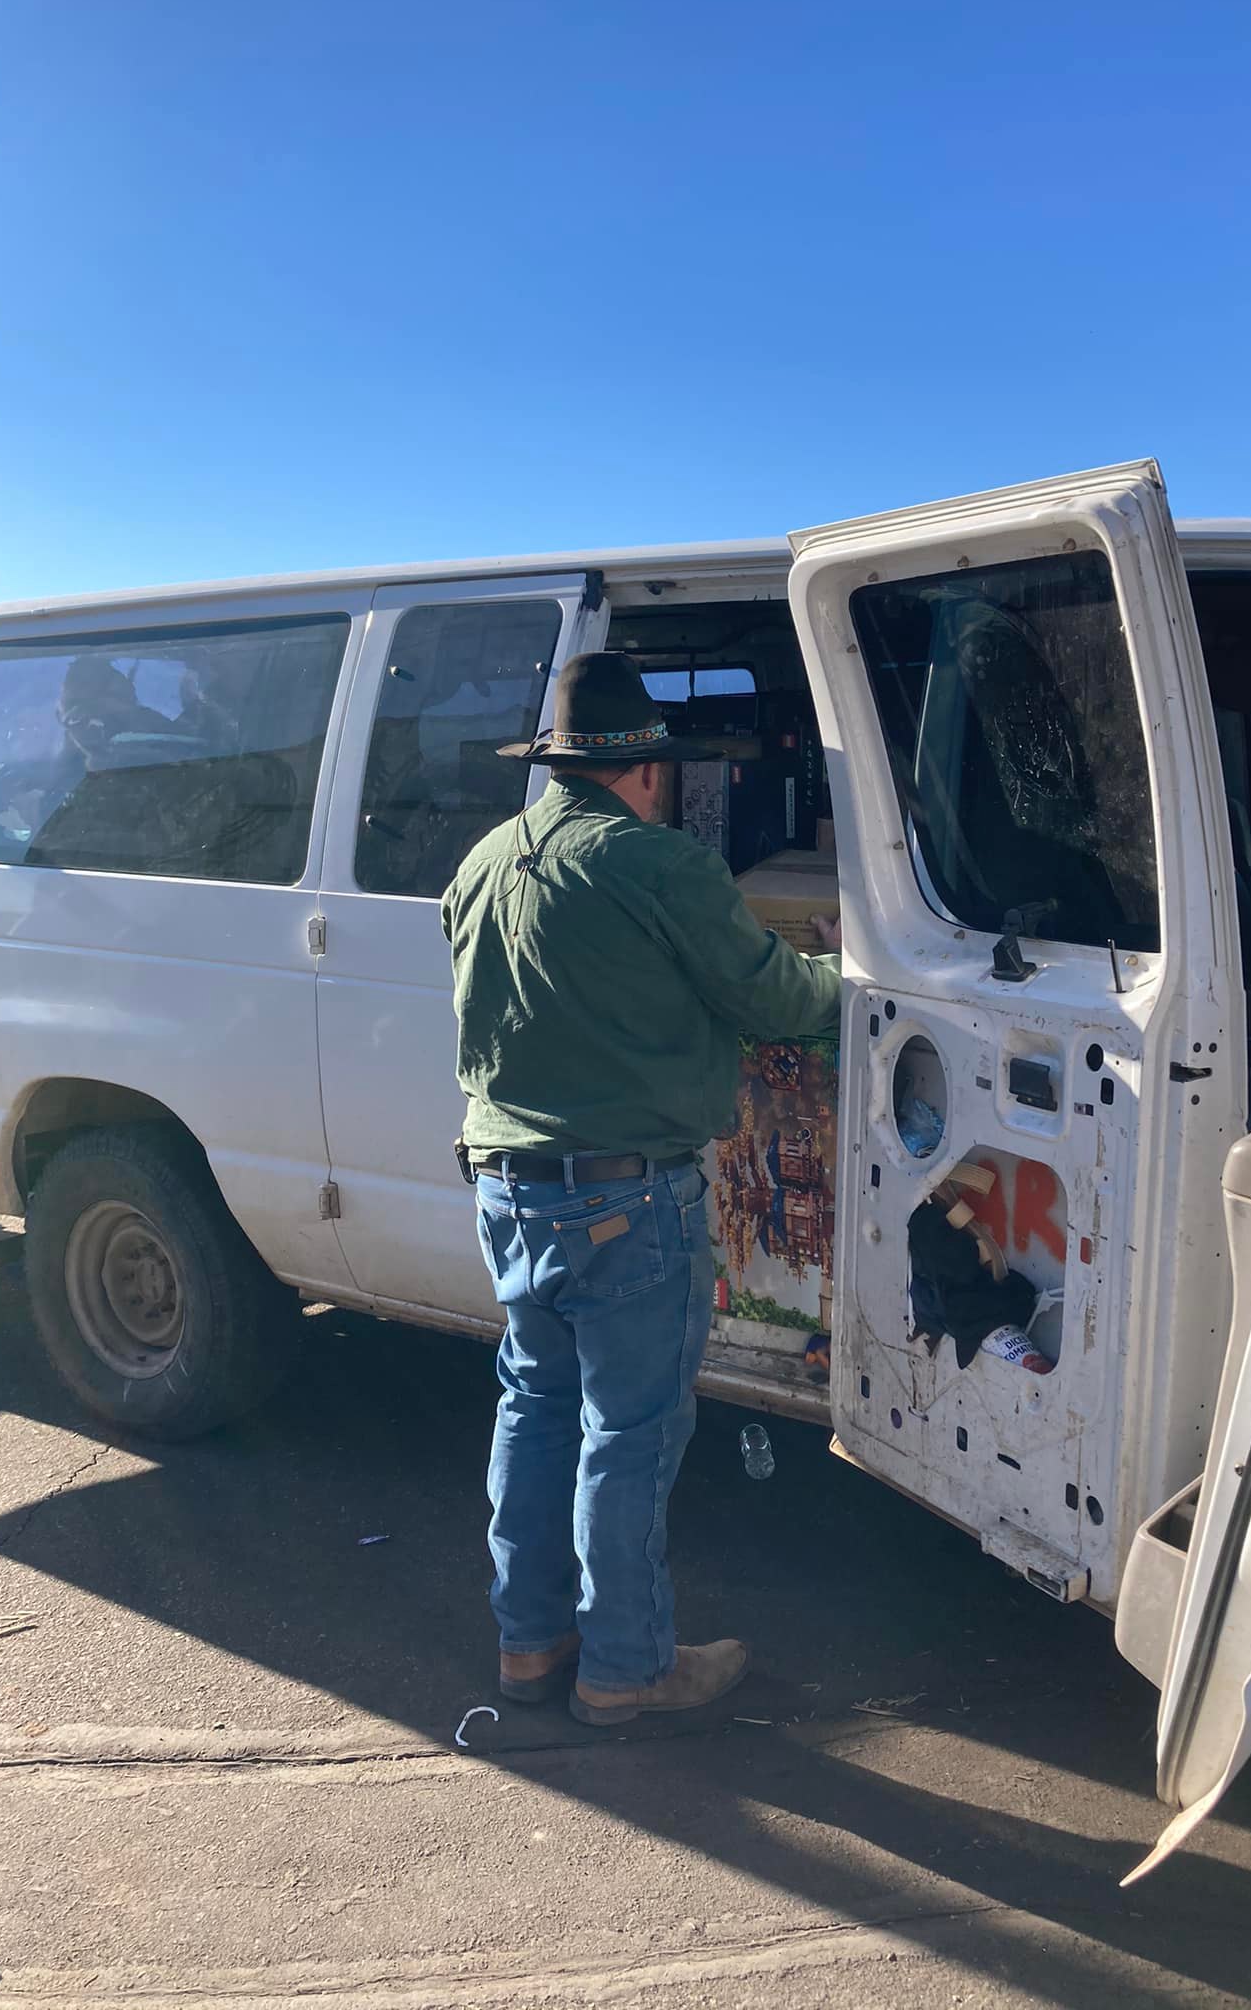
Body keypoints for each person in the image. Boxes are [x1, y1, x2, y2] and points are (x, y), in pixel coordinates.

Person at [441, 653, 841, 1728]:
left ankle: (530, 1648)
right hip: (626, 1202)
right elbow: (778, 996)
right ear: (650, 773)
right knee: (629, 1431)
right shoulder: (658, 866)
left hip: (507, 1190)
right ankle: (626, 1666)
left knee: (534, 1409)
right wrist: (848, 974)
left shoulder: (481, 864)